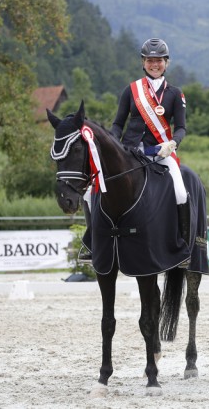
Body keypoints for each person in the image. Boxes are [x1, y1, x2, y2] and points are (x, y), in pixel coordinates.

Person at [79, 38, 190, 262]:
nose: (154, 64)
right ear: (143, 62)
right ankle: (92, 243)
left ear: (166, 63)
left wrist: (172, 143)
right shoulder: (131, 91)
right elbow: (119, 123)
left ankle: (182, 246)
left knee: (180, 191)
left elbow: (181, 128)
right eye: (150, 60)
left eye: (159, 60)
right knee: (90, 192)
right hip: (129, 151)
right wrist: (112, 144)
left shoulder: (175, 94)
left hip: (159, 152)